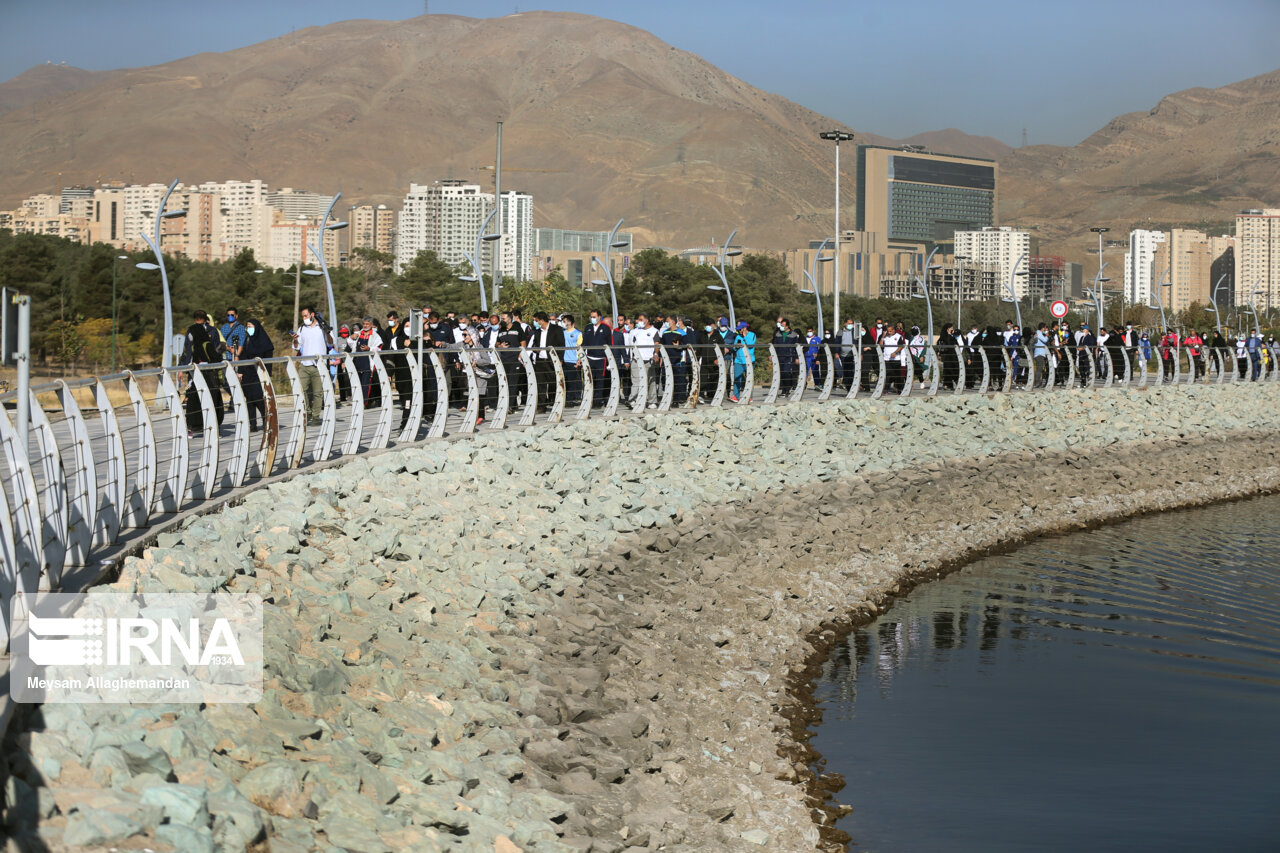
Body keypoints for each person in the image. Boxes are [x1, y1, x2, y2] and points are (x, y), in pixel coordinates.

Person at [182, 310, 226, 435]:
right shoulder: (209, 331)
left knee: (196, 397)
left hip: (199, 369)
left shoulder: (195, 331)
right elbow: (217, 349)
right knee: (207, 397)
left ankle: (195, 426)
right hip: (204, 369)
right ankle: (209, 426)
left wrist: (184, 367)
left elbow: (187, 350)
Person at [237, 318, 273, 432]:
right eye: (247, 326)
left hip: (259, 374)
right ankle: (252, 424)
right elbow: (242, 357)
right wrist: (240, 372)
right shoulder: (247, 340)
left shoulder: (265, 342)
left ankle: (266, 420)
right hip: (248, 373)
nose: (249, 329)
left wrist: (267, 375)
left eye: (251, 326)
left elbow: (268, 360)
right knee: (249, 399)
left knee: (259, 398)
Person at [529, 312, 565, 411]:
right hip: (540, 361)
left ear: (541, 320)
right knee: (540, 384)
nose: (535, 323)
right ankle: (541, 406)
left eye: (536, 321)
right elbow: (533, 344)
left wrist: (560, 359)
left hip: (552, 360)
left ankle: (557, 402)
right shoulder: (537, 331)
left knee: (555, 382)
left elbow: (562, 345)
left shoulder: (556, 329)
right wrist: (535, 349)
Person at [582, 310, 612, 409]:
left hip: (601, 359)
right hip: (590, 358)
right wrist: (580, 357)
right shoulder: (588, 327)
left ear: (599, 317)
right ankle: (589, 400)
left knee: (600, 381)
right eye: (591, 317)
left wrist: (609, 360)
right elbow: (584, 343)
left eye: (594, 317)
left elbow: (609, 344)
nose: (592, 319)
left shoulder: (606, 328)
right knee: (590, 380)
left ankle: (597, 401)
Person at [630, 314, 660, 408]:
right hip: (636, 360)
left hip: (648, 360)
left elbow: (657, 344)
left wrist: (655, 354)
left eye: (641, 320)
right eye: (638, 320)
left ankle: (652, 401)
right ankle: (633, 400)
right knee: (636, 381)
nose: (638, 321)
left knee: (651, 381)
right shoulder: (635, 332)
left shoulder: (654, 331)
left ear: (646, 320)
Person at [773, 318, 800, 395]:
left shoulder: (793, 335)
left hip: (789, 356)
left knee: (787, 372)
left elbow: (796, 347)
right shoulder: (778, 334)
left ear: (787, 326)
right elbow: (775, 345)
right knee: (781, 373)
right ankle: (783, 390)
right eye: (781, 325)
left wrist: (796, 357)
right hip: (780, 356)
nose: (781, 326)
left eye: (783, 325)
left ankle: (787, 389)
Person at [731, 320, 756, 402]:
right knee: (737, 378)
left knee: (749, 379)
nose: (739, 331)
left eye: (740, 329)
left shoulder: (752, 335)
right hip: (738, 361)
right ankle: (735, 396)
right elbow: (734, 347)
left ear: (744, 328)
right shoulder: (738, 336)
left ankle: (749, 396)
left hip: (749, 361)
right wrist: (736, 346)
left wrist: (745, 336)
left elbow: (750, 345)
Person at [562, 314, 582, 407]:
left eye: (565, 321)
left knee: (571, 382)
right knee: (564, 381)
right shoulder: (562, 333)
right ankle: (565, 399)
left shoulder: (578, 333)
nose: (563, 323)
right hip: (564, 361)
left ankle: (570, 400)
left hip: (573, 361)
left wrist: (578, 360)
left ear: (569, 322)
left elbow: (580, 348)